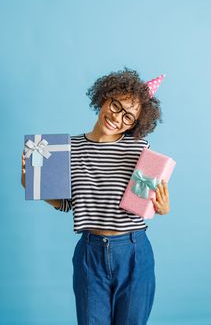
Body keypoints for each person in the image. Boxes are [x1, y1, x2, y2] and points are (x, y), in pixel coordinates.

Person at [21, 67, 170, 325]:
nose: (118, 118)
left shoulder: (139, 148)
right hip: (90, 253)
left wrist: (162, 207)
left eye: (129, 117)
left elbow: (147, 199)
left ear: (137, 124)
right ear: (105, 97)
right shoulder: (68, 148)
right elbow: (68, 204)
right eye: (116, 106)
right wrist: (33, 185)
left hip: (134, 251)